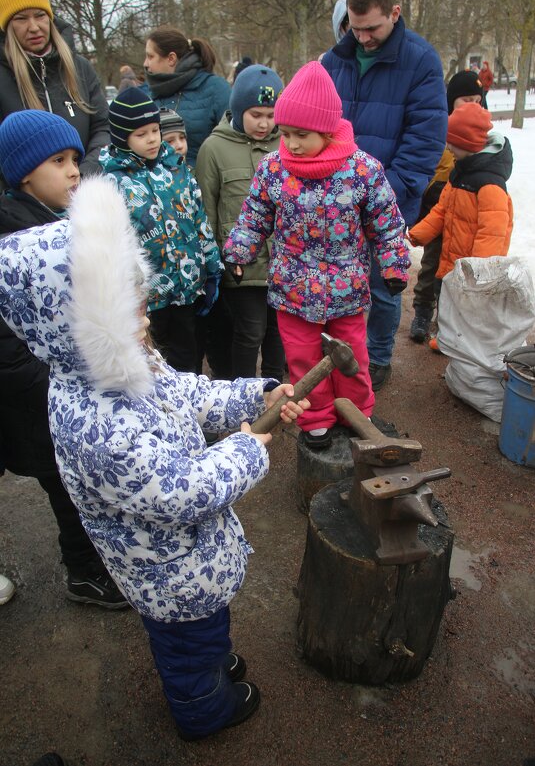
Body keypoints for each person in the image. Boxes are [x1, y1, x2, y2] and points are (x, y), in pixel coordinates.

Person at [0, 175, 309, 739]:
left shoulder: (125, 362)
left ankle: (211, 664)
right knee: (188, 649)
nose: (144, 316)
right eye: (126, 307)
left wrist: (251, 396)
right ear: (76, 326)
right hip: (168, 573)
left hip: (190, 560)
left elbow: (186, 392)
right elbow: (179, 491)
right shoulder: (95, 423)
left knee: (206, 634)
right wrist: (244, 450)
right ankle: (203, 710)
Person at [224, 61, 409, 450]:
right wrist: (240, 251)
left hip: (346, 288)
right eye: (285, 133)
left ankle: (355, 409)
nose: (290, 143)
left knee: (353, 355)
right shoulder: (274, 169)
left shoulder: (361, 170)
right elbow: (255, 213)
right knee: (304, 359)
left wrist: (393, 263)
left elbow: (386, 221)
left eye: (301, 135)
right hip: (293, 288)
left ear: (326, 129)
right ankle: (316, 415)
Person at [0, 110, 128, 608]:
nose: (75, 170)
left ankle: (94, 562)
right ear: (24, 172)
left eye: (76, 158)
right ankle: (84, 573)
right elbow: (8, 346)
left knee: (83, 486)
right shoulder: (14, 240)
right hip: (39, 401)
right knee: (69, 490)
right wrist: (56, 385)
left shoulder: (53, 220)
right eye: (59, 160)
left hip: (62, 390)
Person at [322, 0, 447, 391]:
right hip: (335, 202)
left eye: (372, 27)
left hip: (388, 201)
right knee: (336, 282)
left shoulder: (421, 60)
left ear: (395, 12)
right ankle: (339, 355)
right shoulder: (333, 60)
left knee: (384, 285)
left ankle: (376, 358)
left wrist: (379, 194)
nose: (363, 37)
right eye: (355, 28)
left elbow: (425, 140)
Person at [100, 87, 223, 375]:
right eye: (141, 134)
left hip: (185, 287)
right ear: (122, 137)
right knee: (153, 361)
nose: (152, 138)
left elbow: (198, 218)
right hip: (148, 297)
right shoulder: (111, 181)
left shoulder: (177, 168)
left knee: (188, 356)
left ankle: (191, 412)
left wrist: (213, 267)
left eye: (154, 130)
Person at [196, 64, 286, 384]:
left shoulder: (287, 146)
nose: (264, 123)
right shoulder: (214, 149)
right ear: (237, 109)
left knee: (279, 332)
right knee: (250, 332)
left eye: (271, 114)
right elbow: (207, 209)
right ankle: (244, 393)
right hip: (242, 265)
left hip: (284, 263)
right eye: (255, 114)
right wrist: (218, 257)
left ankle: (275, 390)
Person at [409, 101, 513, 351]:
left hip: (470, 268)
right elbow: (442, 210)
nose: (449, 149)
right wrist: (419, 233)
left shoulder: (490, 185)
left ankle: (464, 347)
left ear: (469, 145)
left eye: (453, 145)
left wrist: (478, 270)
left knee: (467, 310)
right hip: (450, 260)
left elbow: (493, 232)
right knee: (447, 300)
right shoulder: (459, 174)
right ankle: (447, 339)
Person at [0, 0, 109, 178]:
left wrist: (83, 175)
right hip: (20, 205)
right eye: (21, 19)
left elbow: (103, 128)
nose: (34, 27)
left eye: (40, 15)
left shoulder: (81, 68)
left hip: (83, 195)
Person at [409, 69, 484, 343]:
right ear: (451, 101)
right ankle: (422, 312)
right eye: (466, 100)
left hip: (468, 218)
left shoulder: (482, 139)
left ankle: (448, 323)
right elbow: (427, 170)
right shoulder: (439, 134)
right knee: (431, 265)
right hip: (439, 209)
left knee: (458, 273)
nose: (472, 105)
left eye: (477, 99)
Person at [143, 26, 231, 167]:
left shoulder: (216, 89)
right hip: (159, 184)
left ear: (171, 59)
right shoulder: (147, 95)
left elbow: (232, 143)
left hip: (205, 183)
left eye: (150, 56)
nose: (145, 63)